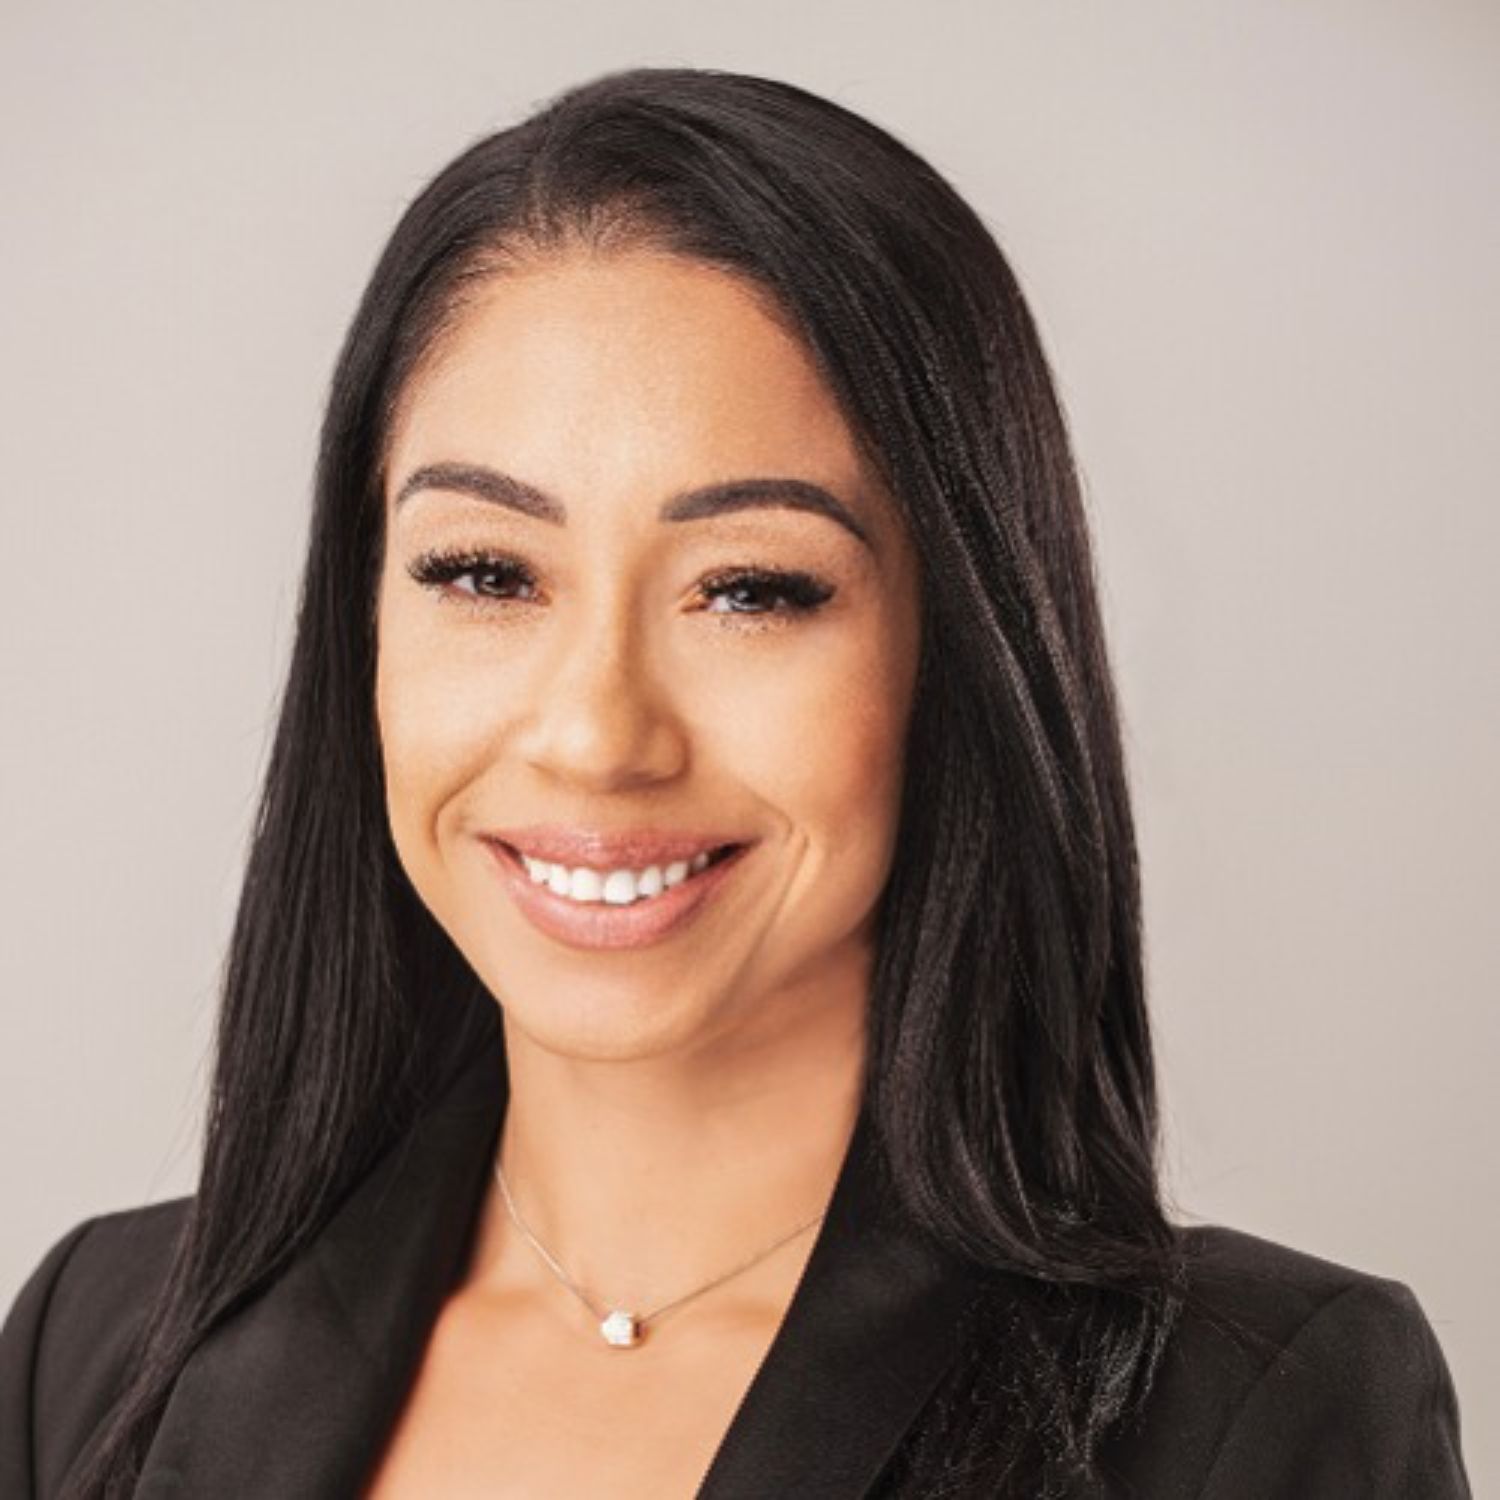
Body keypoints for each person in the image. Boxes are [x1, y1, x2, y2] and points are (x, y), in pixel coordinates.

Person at [0, 65, 1472, 1499]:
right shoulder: (90, 1349)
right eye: (486, 572)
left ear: (957, 653)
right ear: (363, 629)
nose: (598, 735)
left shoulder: (1255, 1418)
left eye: (752, 589)